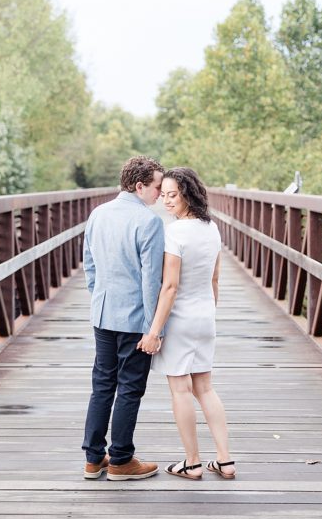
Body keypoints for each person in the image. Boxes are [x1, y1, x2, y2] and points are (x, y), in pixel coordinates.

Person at [139, 167, 236, 481]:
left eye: (173, 195)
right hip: (205, 315)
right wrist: (209, 312)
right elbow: (215, 279)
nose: (166, 201)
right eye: (163, 194)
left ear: (187, 195)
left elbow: (170, 287)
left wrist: (154, 331)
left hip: (180, 319)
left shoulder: (175, 233)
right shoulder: (212, 229)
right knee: (205, 388)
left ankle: (192, 463)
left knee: (180, 390)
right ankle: (225, 460)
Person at [81, 155, 165, 481]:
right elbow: (150, 279)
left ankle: (93, 458)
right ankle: (121, 459)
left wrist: (100, 296)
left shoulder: (98, 214)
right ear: (139, 185)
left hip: (102, 313)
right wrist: (153, 328)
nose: (160, 193)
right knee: (130, 387)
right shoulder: (149, 221)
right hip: (134, 319)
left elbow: (89, 264)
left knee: (102, 385)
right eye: (157, 187)